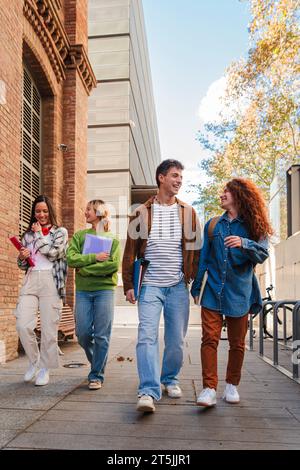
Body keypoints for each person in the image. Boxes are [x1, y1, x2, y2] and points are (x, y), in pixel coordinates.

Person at [122, 159, 201, 412]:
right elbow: (129, 251)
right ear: (161, 178)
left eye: (180, 177)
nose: (178, 181)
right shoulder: (140, 212)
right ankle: (147, 390)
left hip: (178, 285)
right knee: (146, 337)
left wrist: (194, 281)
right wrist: (128, 284)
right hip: (149, 286)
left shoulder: (188, 212)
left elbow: (196, 251)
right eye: (175, 176)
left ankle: (169, 378)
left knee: (176, 340)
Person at [191, 178, 273, 407]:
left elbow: (263, 254)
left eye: (227, 190)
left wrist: (244, 243)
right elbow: (203, 259)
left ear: (239, 195)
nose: (222, 194)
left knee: (237, 343)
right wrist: (197, 287)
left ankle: (231, 385)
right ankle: (208, 389)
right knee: (209, 339)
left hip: (240, 291)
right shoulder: (213, 225)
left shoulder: (254, 224)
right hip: (213, 290)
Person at [67, 200, 120, 390]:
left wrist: (85, 270)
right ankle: (98, 362)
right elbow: (71, 258)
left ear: (99, 211)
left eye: (88, 209)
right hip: (83, 292)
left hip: (104, 290)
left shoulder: (112, 238)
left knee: (101, 336)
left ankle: (96, 374)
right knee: (82, 333)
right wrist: (93, 258)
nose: (85, 212)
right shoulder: (80, 236)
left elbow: (113, 265)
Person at [15, 195, 68, 386]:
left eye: (45, 211)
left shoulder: (60, 232)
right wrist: (23, 256)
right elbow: (22, 265)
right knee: (23, 324)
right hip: (31, 279)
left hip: (51, 281)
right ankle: (34, 361)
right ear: (34, 212)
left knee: (48, 330)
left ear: (50, 211)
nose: (41, 214)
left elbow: (54, 254)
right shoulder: (27, 235)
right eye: (38, 211)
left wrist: (38, 236)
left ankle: (45, 368)